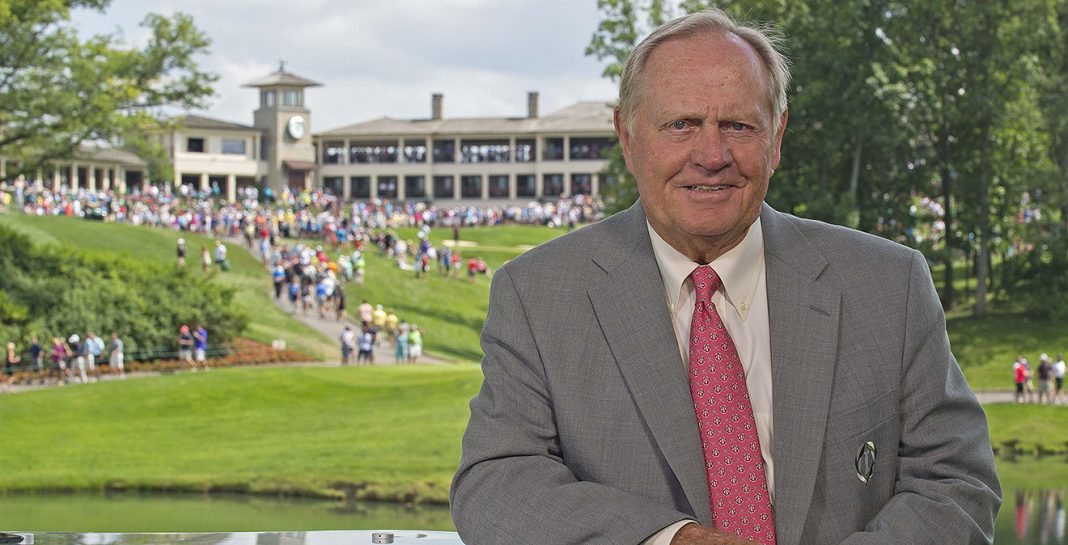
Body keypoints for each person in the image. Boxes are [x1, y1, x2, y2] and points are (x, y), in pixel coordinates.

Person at [451, 9, 1000, 545]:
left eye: (738, 126)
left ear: (777, 136)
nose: (711, 155)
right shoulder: (538, 294)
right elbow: (496, 485)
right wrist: (671, 540)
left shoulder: (889, 285)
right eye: (680, 125)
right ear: (627, 135)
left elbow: (957, 482)